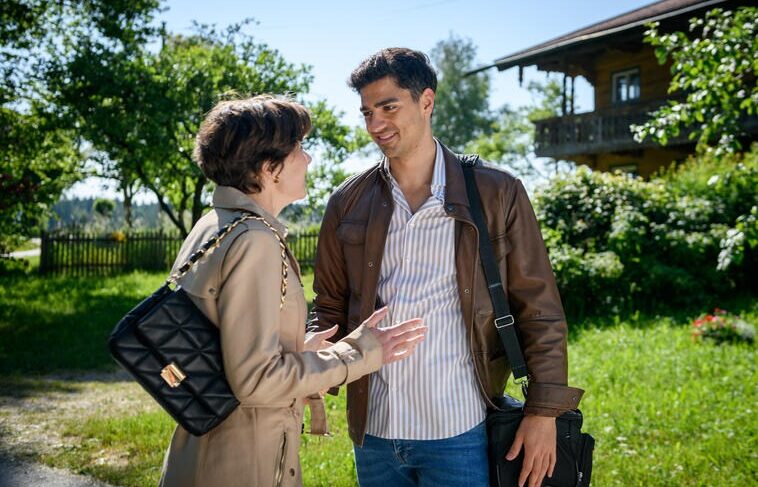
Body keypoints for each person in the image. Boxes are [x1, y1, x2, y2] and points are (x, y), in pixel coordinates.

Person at [309, 48, 584, 487]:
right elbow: (328, 305)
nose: (375, 124)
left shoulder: (497, 192)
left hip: (459, 430)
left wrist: (544, 411)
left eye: (388, 107)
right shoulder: (348, 202)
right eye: (366, 112)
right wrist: (313, 359)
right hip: (374, 433)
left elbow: (539, 308)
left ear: (427, 102)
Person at [158, 94, 427, 487]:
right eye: (299, 148)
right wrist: (363, 352)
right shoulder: (254, 241)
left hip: (208, 449)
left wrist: (297, 348)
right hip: (242, 464)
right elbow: (255, 381)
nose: (308, 159)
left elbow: (223, 344)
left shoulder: (214, 225)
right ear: (270, 169)